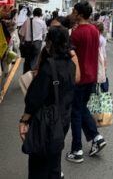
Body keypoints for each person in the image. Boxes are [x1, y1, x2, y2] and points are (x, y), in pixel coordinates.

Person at [19, 26, 78, 179]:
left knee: (38, 163)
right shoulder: (71, 64)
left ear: (50, 42)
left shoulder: (48, 68)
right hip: (63, 118)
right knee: (54, 160)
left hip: (45, 121)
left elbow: (34, 98)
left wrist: (24, 120)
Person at [66, 2, 106, 164]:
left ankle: (77, 149)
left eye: (75, 12)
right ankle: (96, 137)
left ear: (80, 14)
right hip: (91, 76)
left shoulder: (75, 34)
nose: (73, 14)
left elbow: (70, 55)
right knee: (82, 108)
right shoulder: (94, 30)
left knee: (75, 112)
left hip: (78, 77)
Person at [19, 8, 47, 74]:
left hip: (27, 43)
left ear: (33, 13)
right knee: (35, 60)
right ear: (40, 14)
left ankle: (25, 75)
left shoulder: (27, 21)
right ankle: (31, 76)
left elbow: (21, 34)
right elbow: (44, 35)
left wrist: (21, 42)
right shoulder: (42, 22)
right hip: (37, 43)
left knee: (27, 60)